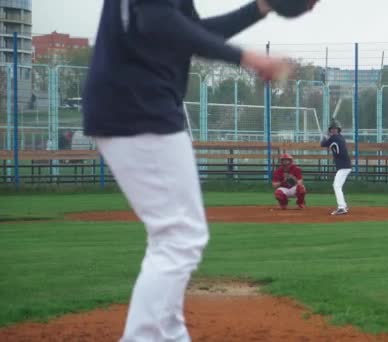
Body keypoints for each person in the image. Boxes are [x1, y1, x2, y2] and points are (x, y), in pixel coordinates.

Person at [81, 1, 309, 341]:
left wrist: (259, 8)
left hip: (133, 103)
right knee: (180, 237)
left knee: (172, 238)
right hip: (138, 105)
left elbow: (191, 31)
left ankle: (171, 336)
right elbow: (161, 22)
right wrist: (247, 57)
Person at [321, 120, 352, 215]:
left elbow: (323, 144)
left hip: (343, 166)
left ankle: (342, 207)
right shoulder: (340, 137)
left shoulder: (335, 138)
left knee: (336, 186)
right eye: (332, 129)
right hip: (345, 165)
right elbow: (327, 144)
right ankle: (343, 205)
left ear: (338, 130)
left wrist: (325, 137)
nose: (334, 130)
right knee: (338, 186)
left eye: (335, 129)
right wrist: (327, 137)